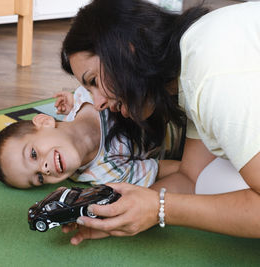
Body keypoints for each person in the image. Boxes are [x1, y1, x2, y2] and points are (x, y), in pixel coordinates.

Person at [60, 0, 260, 244]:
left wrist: (160, 209)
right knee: (211, 180)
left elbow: (178, 195)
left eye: (93, 81)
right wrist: (117, 210)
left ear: (126, 49)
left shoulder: (209, 71)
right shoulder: (189, 68)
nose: (99, 103)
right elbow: (191, 177)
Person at [0, 86, 182, 189]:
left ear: (44, 122)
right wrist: (194, 170)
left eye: (33, 154)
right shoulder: (104, 174)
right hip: (187, 134)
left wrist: (73, 101)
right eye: (38, 178)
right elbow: (160, 170)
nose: (44, 169)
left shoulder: (87, 94)